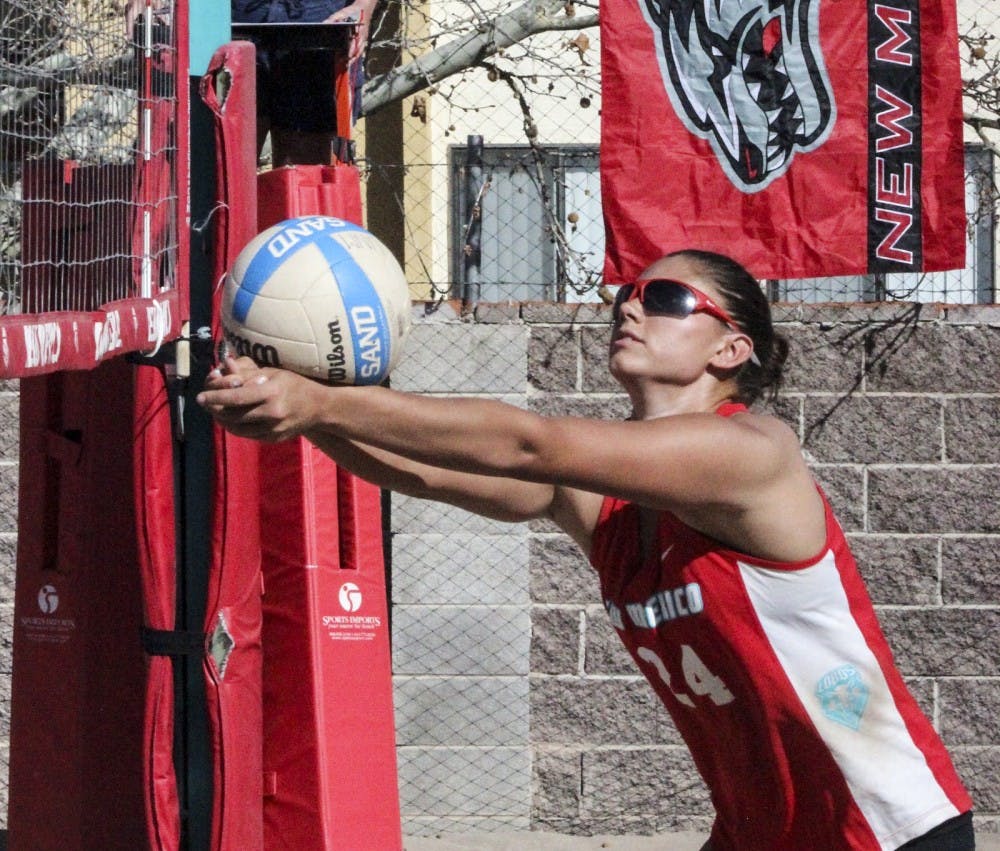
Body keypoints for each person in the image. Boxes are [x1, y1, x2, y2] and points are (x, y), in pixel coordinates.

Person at [197, 249, 975, 850]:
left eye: (666, 298)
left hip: (886, 828)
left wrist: (324, 400)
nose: (631, 306)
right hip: (763, 833)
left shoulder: (751, 453)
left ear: (731, 348)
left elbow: (531, 444)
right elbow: (426, 474)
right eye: (626, 294)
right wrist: (297, 412)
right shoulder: (607, 499)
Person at [231, 0, 378, 164]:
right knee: (226, 168)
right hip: (233, 19)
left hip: (318, 23)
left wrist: (362, 7)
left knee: (301, 175)